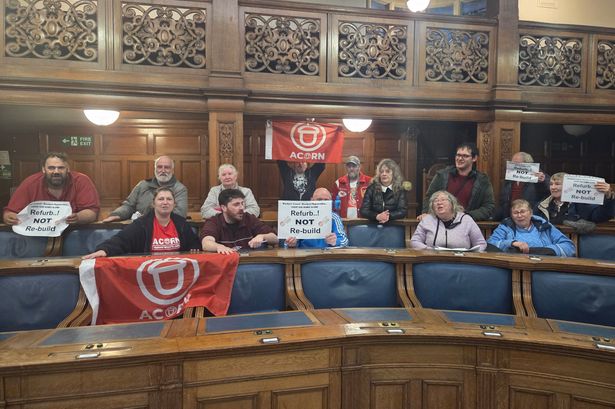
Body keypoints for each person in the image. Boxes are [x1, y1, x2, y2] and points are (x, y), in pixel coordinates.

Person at [83, 187, 201, 258]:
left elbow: (194, 242)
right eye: (161, 199)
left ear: (174, 204)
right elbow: (121, 240)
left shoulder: (181, 223)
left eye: (169, 199)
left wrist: (194, 247)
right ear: (153, 203)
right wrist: (104, 250)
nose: (165, 202)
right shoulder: (142, 224)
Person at [3, 152, 99, 225]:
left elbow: (92, 212)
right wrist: (9, 218)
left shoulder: (81, 181)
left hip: (72, 230)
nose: (56, 172)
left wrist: (78, 217)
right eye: (51, 168)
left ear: (68, 169)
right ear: (43, 169)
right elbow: (10, 212)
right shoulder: (30, 183)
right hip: (37, 233)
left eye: (61, 168)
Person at [421, 142, 495, 221]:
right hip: (441, 222)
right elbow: (429, 198)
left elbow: (489, 206)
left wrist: (466, 215)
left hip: (466, 224)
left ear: (474, 158)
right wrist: (426, 213)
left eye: (465, 156)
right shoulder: (442, 175)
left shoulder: (482, 180)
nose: (459, 159)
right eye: (458, 155)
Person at [101, 155, 187, 222]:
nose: (163, 170)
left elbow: (180, 214)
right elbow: (129, 205)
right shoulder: (143, 185)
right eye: (159, 167)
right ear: (155, 169)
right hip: (139, 228)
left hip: (165, 229)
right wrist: (117, 215)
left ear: (172, 170)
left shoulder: (180, 189)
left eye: (167, 167)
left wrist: (147, 218)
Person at [487, 199, 575, 257]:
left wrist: (547, 250)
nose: (519, 215)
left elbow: (569, 246)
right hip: (516, 265)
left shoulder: (544, 225)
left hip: (545, 264)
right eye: (515, 213)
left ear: (531, 213)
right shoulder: (506, 226)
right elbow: (490, 244)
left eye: (522, 212)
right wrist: (512, 243)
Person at [201, 189, 277, 254]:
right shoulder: (214, 221)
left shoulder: (249, 218)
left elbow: (275, 238)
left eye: (242, 203)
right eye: (236, 204)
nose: (242, 208)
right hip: (226, 262)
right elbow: (206, 243)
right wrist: (219, 247)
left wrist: (262, 236)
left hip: (248, 262)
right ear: (224, 208)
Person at [535, 172, 615, 232]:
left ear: (568, 186)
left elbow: (600, 216)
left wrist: (609, 197)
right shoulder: (542, 205)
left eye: (557, 184)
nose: (553, 187)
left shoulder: (581, 204)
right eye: (551, 184)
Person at [411, 190, 486, 251]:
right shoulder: (427, 220)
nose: (439, 203)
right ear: (432, 207)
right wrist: (428, 250)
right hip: (434, 259)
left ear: (452, 204)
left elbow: (481, 243)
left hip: (461, 260)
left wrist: (472, 254)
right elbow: (415, 241)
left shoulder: (466, 220)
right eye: (435, 201)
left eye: (443, 200)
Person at [284, 188, 349, 249]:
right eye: (319, 199)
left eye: (326, 200)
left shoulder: (334, 217)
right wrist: (292, 243)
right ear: (312, 200)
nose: (323, 203)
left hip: (326, 254)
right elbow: (286, 244)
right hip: (303, 254)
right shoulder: (299, 216)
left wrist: (335, 241)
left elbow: (344, 241)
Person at [494, 151, 550, 220]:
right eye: (512, 163)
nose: (513, 165)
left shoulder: (537, 176)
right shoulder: (509, 178)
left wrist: (543, 181)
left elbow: (549, 190)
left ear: (527, 164)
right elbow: (504, 201)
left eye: (516, 163)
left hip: (529, 218)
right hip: (510, 217)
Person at [360, 158, 408, 223]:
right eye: (381, 171)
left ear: (394, 174)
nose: (384, 174)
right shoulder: (371, 188)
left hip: (394, 225)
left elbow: (402, 211)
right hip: (374, 224)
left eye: (387, 171)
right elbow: (364, 210)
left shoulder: (400, 190)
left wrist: (388, 216)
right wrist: (377, 216)